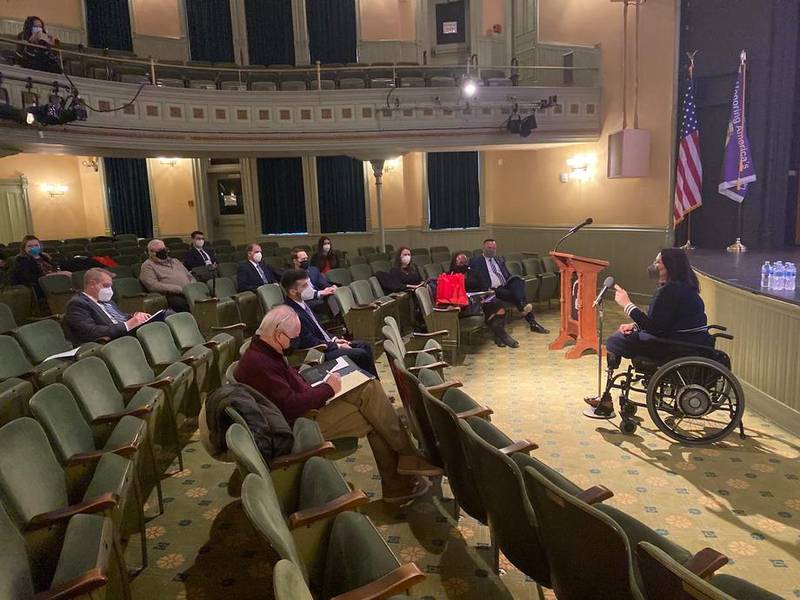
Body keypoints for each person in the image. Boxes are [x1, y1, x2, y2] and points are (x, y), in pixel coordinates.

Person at [235, 306, 435, 504]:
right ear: (278, 334)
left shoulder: (263, 348)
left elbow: (287, 385)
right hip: (297, 428)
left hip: (301, 413)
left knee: (369, 392)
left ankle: (400, 479)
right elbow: (291, 405)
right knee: (373, 410)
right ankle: (403, 467)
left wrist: (317, 384)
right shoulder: (260, 363)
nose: (293, 343)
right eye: (292, 338)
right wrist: (328, 389)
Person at [584, 248, 713, 418]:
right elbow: (664, 323)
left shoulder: (669, 291)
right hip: (683, 340)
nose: (654, 265)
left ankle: (606, 399)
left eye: (658, 262)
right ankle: (606, 396)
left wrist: (626, 304)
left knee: (615, 340)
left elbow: (655, 327)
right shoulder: (684, 287)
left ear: (669, 266)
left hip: (674, 346)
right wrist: (635, 326)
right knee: (623, 335)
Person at [281, 269, 377, 376]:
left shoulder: (301, 303)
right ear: (293, 291)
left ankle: (373, 383)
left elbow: (320, 329)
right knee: (360, 353)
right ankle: (368, 381)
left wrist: (335, 339)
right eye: (304, 286)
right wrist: (337, 346)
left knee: (365, 345)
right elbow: (309, 341)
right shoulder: (292, 312)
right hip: (319, 352)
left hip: (327, 344)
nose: (309, 288)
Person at [468, 239, 549, 334]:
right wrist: (484, 289)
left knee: (517, 280)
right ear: (483, 248)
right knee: (516, 296)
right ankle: (531, 320)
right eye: (489, 248)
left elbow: (506, 274)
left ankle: (523, 304)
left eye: (494, 248)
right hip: (493, 289)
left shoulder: (499, 259)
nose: (491, 250)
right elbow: (474, 279)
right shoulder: (476, 261)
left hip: (505, 284)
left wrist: (510, 281)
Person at [63, 268, 150, 345]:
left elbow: (120, 317)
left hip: (124, 336)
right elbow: (90, 332)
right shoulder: (77, 303)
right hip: (107, 343)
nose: (110, 290)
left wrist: (134, 316)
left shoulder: (106, 300)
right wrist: (127, 325)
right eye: (106, 286)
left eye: (110, 286)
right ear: (92, 284)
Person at [449, 252, 519, 348]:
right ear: (454, 263)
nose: (463, 265)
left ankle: (499, 336)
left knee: (498, 305)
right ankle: (503, 337)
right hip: (465, 304)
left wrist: (483, 295)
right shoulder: (450, 276)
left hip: (480, 299)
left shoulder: (473, 272)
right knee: (492, 311)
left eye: (465, 262)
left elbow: (483, 285)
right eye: (460, 263)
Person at [139, 239, 194, 312]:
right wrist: (177, 289)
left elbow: (189, 275)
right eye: (160, 250)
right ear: (151, 252)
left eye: (164, 249)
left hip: (189, 290)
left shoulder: (175, 261)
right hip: (171, 295)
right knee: (181, 304)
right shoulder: (147, 266)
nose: (163, 251)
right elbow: (153, 285)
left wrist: (193, 285)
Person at [10, 235, 71, 301]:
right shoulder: (22, 260)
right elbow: (28, 278)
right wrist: (50, 275)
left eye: (36, 245)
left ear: (40, 246)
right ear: (24, 248)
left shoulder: (44, 256)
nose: (33, 248)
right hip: (39, 286)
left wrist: (58, 273)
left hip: (54, 280)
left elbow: (54, 267)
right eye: (30, 246)